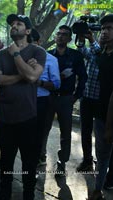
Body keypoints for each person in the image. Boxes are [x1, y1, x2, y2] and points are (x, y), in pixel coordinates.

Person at [0, 14, 46, 200]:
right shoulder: (0, 54)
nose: (14, 26)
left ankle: (28, 194)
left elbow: (33, 77)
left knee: (28, 162)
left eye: (19, 24)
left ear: (28, 31)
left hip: (28, 116)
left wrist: (16, 54)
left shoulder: (38, 52)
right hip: (5, 116)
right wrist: (22, 74)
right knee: (6, 160)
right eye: (12, 24)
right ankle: (5, 192)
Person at [46, 25, 87, 177]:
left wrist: (76, 96)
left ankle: (62, 163)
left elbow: (83, 77)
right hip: (49, 98)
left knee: (65, 133)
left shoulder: (76, 56)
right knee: (43, 129)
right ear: (56, 37)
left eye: (65, 34)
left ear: (70, 38)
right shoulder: (48, 55)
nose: (61, 36)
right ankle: (40, 158)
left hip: (66, 99)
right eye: (59, 33)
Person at [88, 14, 113, 200]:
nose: (105, 31)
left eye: (110, 28)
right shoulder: (103, 54)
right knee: (102, 155)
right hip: (101, 113)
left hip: (109, 116)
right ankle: (98, 190)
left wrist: (110, 126)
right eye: (103, 28)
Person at [31, 29, 61, 166]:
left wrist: (40, 82)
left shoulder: (50, 60)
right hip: (22, 101)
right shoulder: (19, 58)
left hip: (41, 102)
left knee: (39, 134)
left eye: (32, 43)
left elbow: (56, 84)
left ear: (39, 42)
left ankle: (36, 161)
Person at [76, 31, 102, 172]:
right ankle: (87, 160)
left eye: (108, 30)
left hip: (101, 101)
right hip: (86, 99)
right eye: (102, 30)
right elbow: (81, 51)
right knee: (85, 132)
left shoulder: (106, 54)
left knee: (100, 133)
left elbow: (99, 53)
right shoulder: (92, 53)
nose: (104, 33)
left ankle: (102, 161)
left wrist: (91, 39)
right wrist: (81, 40)